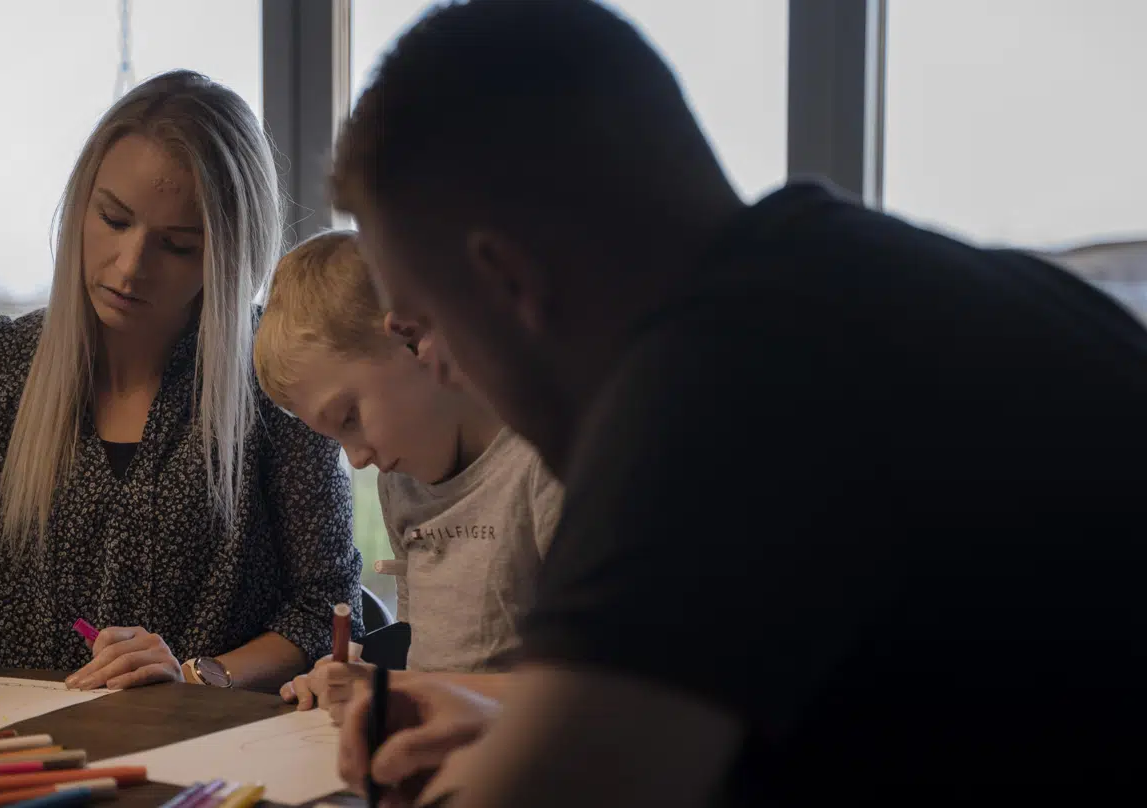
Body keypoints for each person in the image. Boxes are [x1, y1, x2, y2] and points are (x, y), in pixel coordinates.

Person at [328, 0, 1147, 805]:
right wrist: (524, 728)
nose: (441, 372)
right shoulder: (923, 296)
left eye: (420, 329)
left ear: (509, 279)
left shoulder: (711, 393)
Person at [0, 70, 363, 698]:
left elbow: (328, 611)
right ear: (80, 205)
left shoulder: (273, 380)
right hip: (8, 743)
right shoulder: (6, 364)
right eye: (114, 219)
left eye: (177, 246)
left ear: (231, 256)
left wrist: (199, 675)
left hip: (199, 746)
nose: (130, 266)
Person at [251, 231, 561, 722]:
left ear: (413, 338)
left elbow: (594, 689)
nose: (356, 459)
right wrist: (367, 683)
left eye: (350, 417)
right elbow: (427, 665)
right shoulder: (400, 487)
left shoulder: (547, 465)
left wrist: (405, 691)